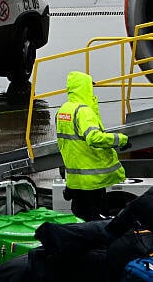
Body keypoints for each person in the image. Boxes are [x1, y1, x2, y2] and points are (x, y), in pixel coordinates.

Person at [56, 71, 130, 221]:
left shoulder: (63, 110)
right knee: (95, 219)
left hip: (74, 178)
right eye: (90, 86)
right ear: (84, 88)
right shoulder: (83, 111)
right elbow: (93, 138)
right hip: (91, 180)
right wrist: (120, 139)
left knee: (80, 217)